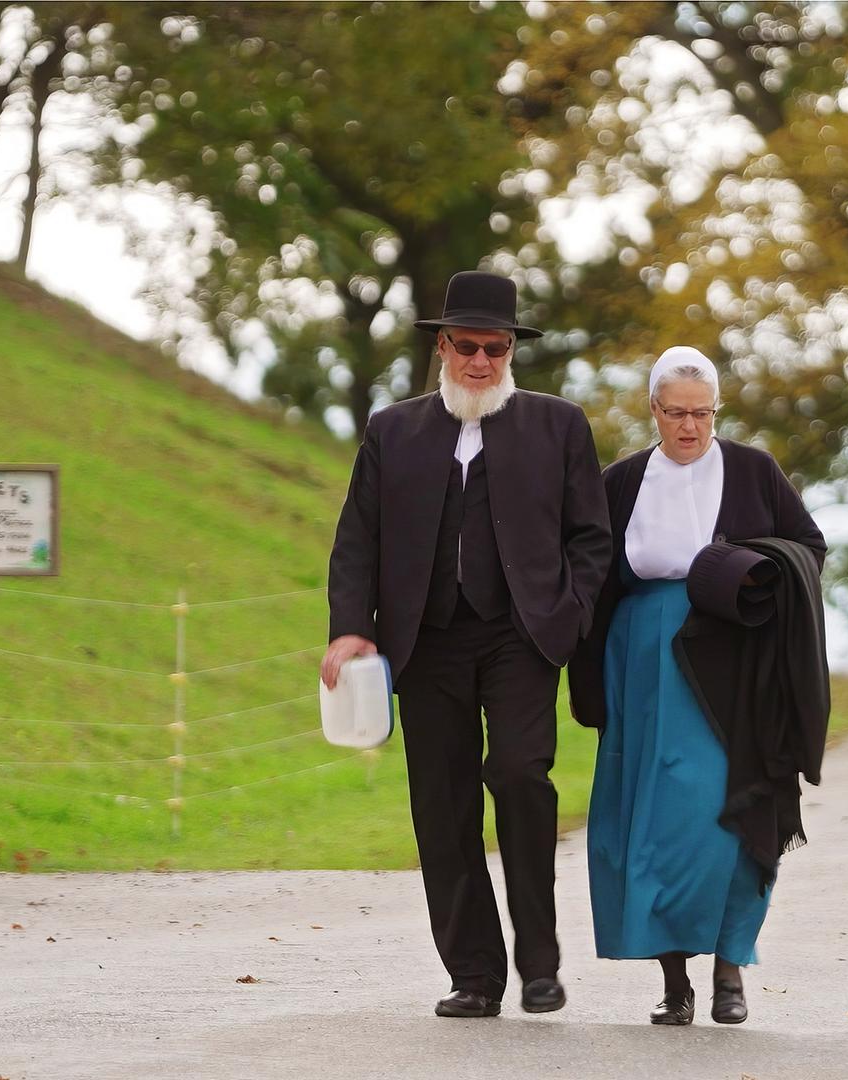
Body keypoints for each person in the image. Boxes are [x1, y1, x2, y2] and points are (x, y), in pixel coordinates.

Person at [323, 271, 610, 1019]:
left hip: (521, 637)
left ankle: (539, 964)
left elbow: (591, 538)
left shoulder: (560, 426)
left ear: (512, 351)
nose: (480, 361)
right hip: (426, 641)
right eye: (467, 347)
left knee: (519, 777)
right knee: (442, 807)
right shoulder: (394, 430)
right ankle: (475, 975)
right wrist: (353, 626)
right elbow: (358, 537)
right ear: (442, 347)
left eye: (496, 347)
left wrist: (569, 614)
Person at [568, 346, 828, 1026]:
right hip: (644, 659)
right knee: (653, 819)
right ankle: (676, 981)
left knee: (727, 808)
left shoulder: (753, 471)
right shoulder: (621, 482)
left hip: (733, 660)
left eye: (703, 413)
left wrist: (749, 574)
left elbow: (808, 549)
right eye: (677, 413)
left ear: (717, 411)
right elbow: (588, 569)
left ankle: (730, 970)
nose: (691, 426)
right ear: (653, 411)